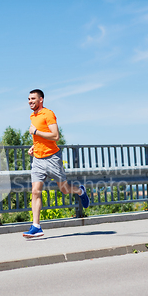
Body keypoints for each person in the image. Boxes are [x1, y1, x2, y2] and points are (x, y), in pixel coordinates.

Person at [23, 89, 90, 238]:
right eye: (28, 99)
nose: (30, 101)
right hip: (38, 160)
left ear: (41, 100)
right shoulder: (33, 116)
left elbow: (55, 136)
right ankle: (36, 227)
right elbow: (41, 137)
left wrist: (35, 132)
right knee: (35, 192)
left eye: (33, 98)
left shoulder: (48, 114)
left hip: (52, 158)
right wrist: (34, 146)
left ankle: (80, 191)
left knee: (65, 189)